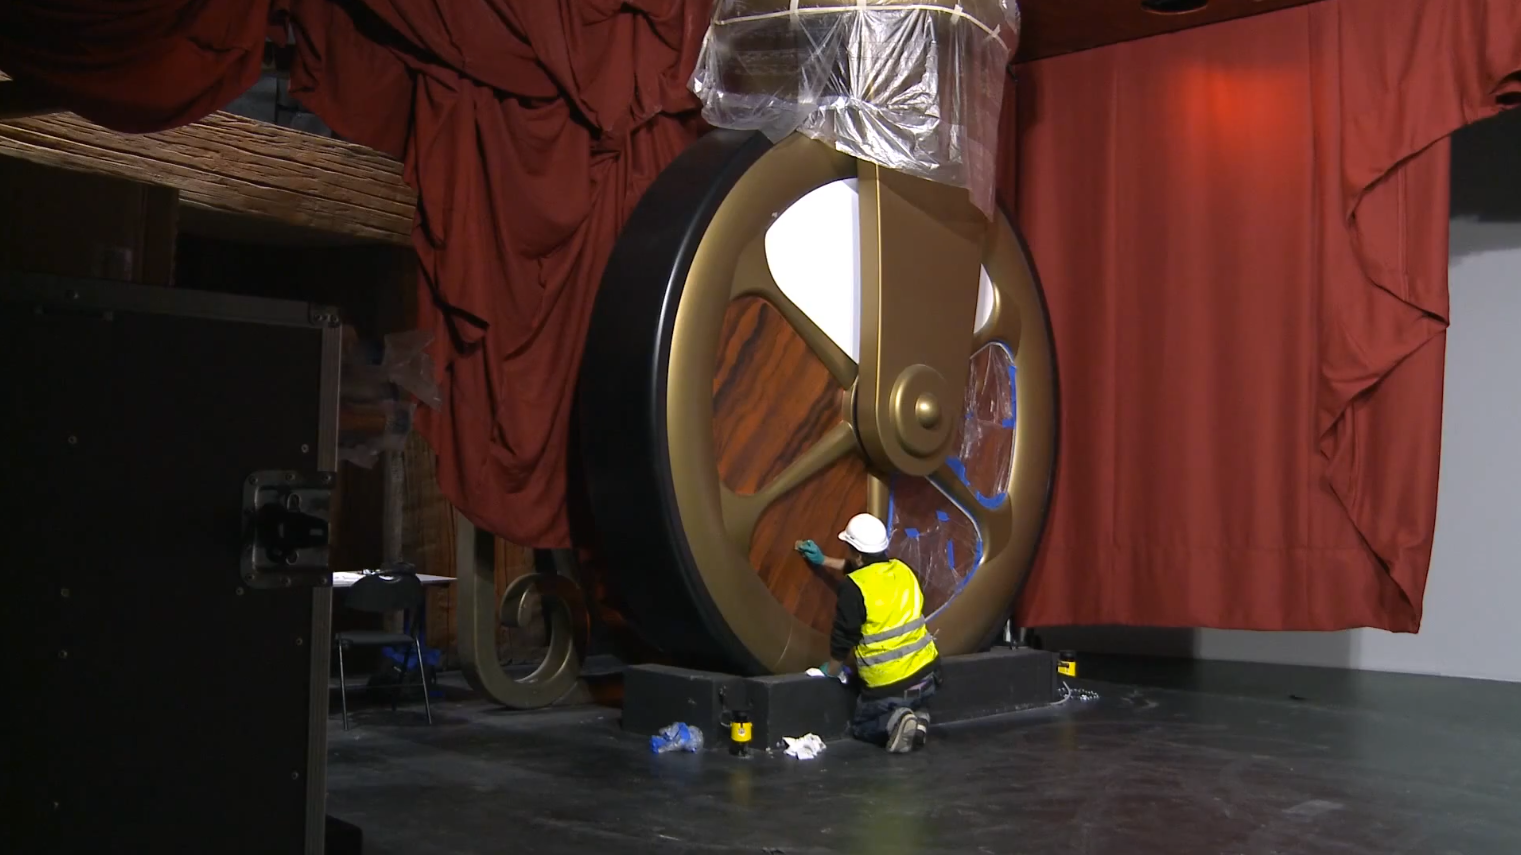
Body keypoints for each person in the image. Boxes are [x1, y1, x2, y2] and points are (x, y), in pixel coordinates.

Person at [795, 513, 939, 754]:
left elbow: (844, 636)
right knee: (911, 701)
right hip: (928, 675)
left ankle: (897, 720)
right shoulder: (904, 570)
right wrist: (823, 560)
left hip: (890, 686)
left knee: (863, 725)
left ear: (858, 555)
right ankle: (919, 717)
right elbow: (868, 571)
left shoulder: (853, 588)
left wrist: (831, 670)